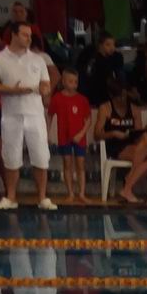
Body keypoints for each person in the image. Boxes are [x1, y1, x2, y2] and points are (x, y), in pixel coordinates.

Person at [0, 22, 54, 211]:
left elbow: (46, 84)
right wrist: (13, 90)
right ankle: (11, 197)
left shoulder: (38, 60)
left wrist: (44, 90)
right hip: (11, 114)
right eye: (25, 34)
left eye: (30, 35)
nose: (29, 38)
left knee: (41, 156)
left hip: (35, 114)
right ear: (14, 35)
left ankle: (42, 198)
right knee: (11, 156)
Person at [94, 83, 147, 204]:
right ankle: (128, 186)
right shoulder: (105, 108)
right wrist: (113, 133)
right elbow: (97, 134)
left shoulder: (134, 109)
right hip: (116, 146)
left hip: (132, 144)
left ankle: (127, 186)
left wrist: (144, 130)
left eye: (124, 96)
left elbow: (138, 133)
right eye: (119, 97)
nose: (122, 100)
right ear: (112, 96)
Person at [50, 67, 92, 205]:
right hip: (64, 137)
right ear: (63, 81)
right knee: (67, 164)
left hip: (80, 138)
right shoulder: (57, 98)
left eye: (75, 82)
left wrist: (81, 134)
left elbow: (88, 120)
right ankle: (70, 193)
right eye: (70, 81)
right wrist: (47, 132)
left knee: (81, 165)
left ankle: (82, 193)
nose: (73, 84)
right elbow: (50, 115)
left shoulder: (82, 99)